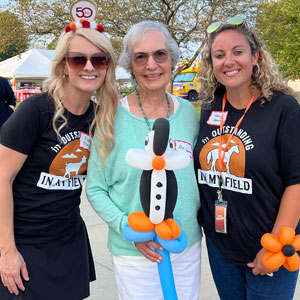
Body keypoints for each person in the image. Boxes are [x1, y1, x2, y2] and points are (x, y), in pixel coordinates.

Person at [0, 18, 119, 300]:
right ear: (64, 65)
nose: (89, 67)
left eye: (99, 59)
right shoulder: (36, 111)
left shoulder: (100, 117)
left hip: (69, 242)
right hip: (24, 245)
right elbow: (1, 178)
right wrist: (7, 251)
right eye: (78, 60)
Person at [86, 20, 202, 300]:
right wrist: (127, 227)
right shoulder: (111, 116)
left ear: (172, 59)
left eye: (160, 54)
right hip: (137, 254)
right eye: (141, 57)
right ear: (131, 64)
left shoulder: (187, 112)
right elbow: (95, 188)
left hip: (184, 247)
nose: (152, 64)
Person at [194, 16, 300, 300]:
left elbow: (297, 182)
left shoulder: (283, 108)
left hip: (269, 246)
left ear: (256, 57)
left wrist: (274, 246)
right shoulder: (209, 107)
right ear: (211, 63)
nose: (229, 61)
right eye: (219, 55)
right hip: (221, 247)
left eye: (238, 51)